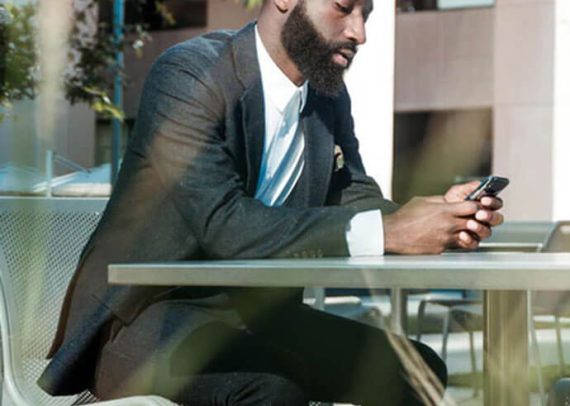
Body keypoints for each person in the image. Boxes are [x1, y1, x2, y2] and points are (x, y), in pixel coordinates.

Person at [38, 0, 504, 404]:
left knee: (415, 370)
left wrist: (436, 219)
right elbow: (226, 225)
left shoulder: (327, 97)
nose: (359, 32)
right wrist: (391, 232)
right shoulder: (190, 76)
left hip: (256, 318)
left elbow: (354, 200)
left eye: (367, 14)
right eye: (343, 8)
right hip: (144, 321)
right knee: (271, 393)